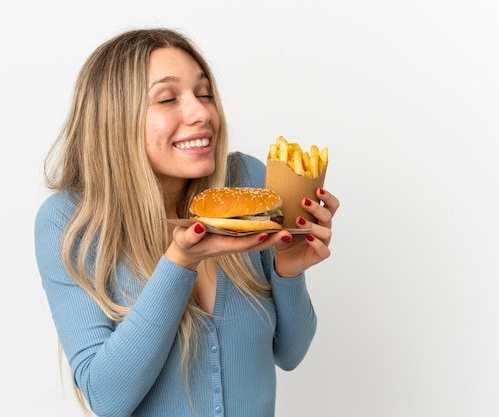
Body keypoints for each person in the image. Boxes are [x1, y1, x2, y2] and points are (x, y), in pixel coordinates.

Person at [34, 27, 339, 417]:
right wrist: (179, 262)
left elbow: (291, 352)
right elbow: (107, 399)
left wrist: (289, 270)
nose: (201, 113)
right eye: (167, 98)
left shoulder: (247, 182)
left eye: (205, 93)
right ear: (114, 119)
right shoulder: (69, 221)